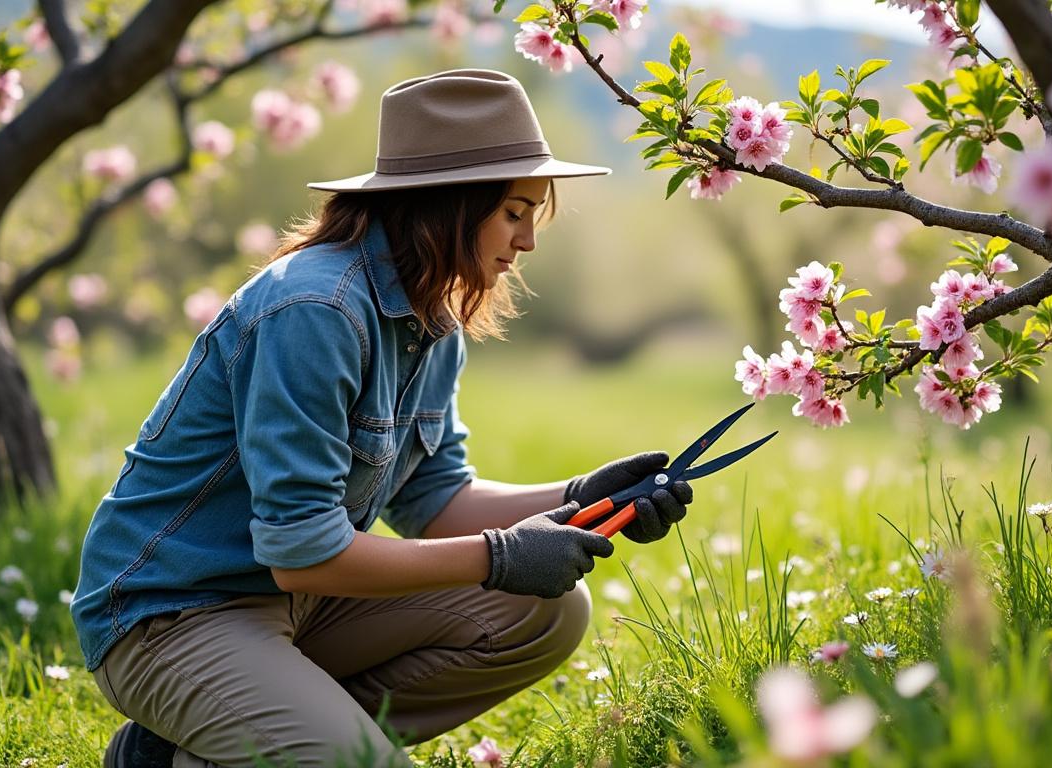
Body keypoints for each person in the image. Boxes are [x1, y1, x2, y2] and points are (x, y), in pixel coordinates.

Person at [70, 68, 694, 768]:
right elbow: (302, 550)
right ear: (450, 205)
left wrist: (583, 498)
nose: (527, 242)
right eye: (515, 212)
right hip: (173, 612)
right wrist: (500, 555)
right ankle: (264, 731)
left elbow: (435, 500)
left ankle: (190, 750)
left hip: (302, 603)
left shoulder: (433, 317)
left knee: (547, 612)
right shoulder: (315, 310)